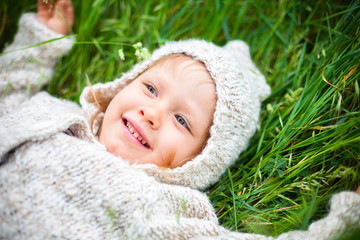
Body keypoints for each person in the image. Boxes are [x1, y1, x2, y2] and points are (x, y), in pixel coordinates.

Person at [1, 0, 359, 239]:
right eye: (152, 89)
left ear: (199, 163)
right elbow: (8, 94)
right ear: (126, 82)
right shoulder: (54, 111)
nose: (152, 114)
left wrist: (346, 219)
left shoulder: (165, 207)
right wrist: (42, 40)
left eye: (183, 121)